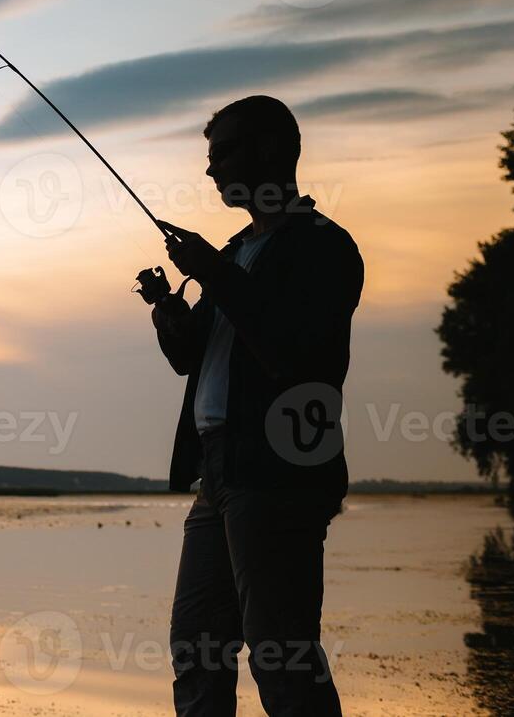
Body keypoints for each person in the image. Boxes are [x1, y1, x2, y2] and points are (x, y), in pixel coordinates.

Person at [150, 95, 362, 717]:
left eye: (223, 156)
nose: (212, 172)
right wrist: (171, 315)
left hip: (277, 472)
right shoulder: (238, 249)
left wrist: (215, 273)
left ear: (270, 151)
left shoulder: (323, 247)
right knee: (197, 644)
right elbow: (198, 359)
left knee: (282, 653)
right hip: (218, 473)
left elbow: (289, 351)